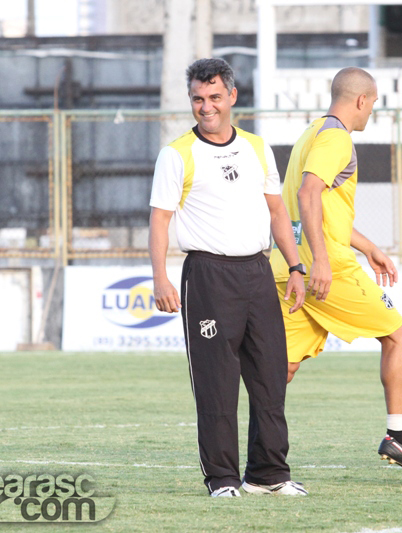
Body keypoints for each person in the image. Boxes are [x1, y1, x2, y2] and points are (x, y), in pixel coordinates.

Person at [148, 58, 308, 497]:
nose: (206, 107)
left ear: (232, 96)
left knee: (270, 378)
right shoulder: (177, 154)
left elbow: (277, 211)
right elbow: (160, 219)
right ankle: (221, 479)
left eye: (215, 97)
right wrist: (160, 278)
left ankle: (268, 475)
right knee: (217, 384)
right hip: (208, 276)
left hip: (257, 271)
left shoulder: (257, 147)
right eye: (198, 98)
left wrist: (296, 267)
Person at [269, 67, 402, 484]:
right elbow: (309, 194)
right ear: (361, 100)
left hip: (289, 266)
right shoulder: (337, 138)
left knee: (282, 368)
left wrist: (369, 246)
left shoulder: (312, 132)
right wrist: (323, 261)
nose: (371, 110)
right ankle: (399, 436)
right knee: (398, 335)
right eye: (373, 103)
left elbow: (320, 207)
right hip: (325, 270)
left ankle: (262, 460)